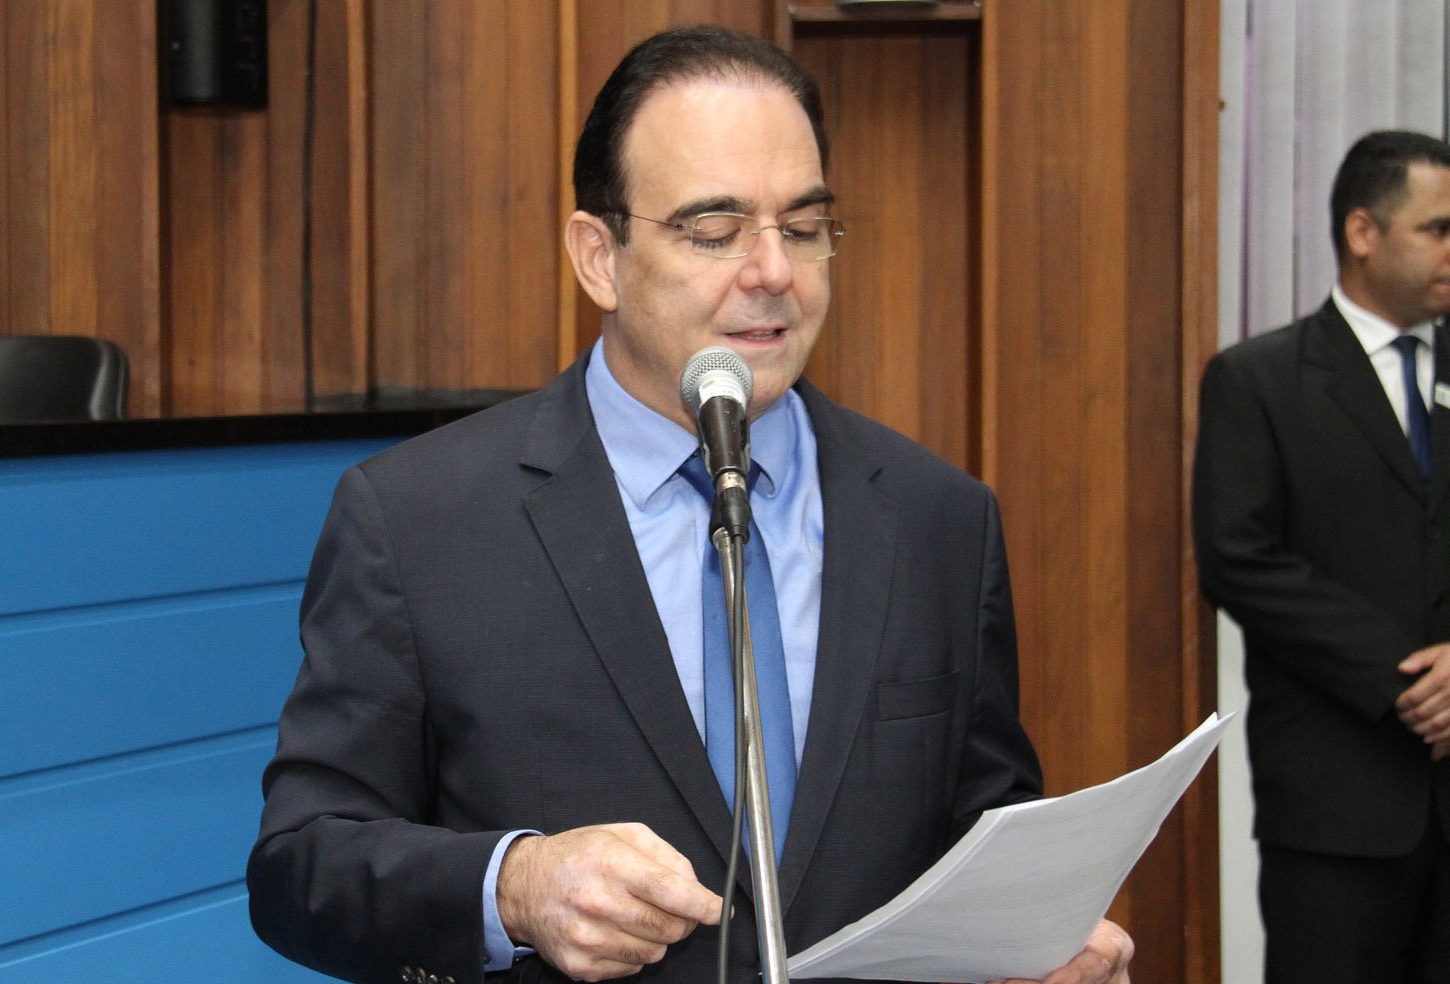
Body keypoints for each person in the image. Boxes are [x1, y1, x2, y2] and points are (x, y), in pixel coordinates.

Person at [248, 25, 1133, 984]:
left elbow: (984, 828)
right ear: (599, 257)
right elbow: (301, 864)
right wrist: (514, 886)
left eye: (804, 228)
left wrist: (1039, 941)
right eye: (715, 233)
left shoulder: (938, 520)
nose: (774, 272)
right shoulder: (419, 520)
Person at [1194, 129, 1450, 984]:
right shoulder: (1260, 379)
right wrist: (1407, 677)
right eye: (1438, 229)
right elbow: (1238, 558)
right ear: (1363, 232)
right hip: (1337, 807)